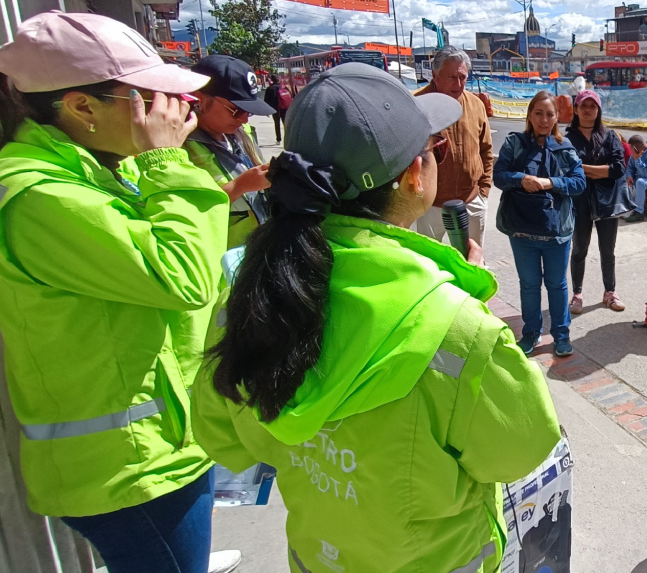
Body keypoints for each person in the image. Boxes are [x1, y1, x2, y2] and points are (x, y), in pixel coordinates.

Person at [192, 63, 560, 573]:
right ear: (414, 174)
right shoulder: (458, 329)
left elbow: (225, 436)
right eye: (435, 148)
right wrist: (467, 309)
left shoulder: (255, 289)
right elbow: (521, 449)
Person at [0, 11, 240, 573]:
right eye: (147, 95)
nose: (170, 109)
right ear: (82, 107)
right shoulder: (41, 196)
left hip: (158, 447)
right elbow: (183, 275)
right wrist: (167, 161)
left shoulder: (94, 173)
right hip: (130, 469)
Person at [494, 90, 587, 357]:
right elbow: (498, 175)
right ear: (530, 115)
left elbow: (579, 183)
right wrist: (519, 178)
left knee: (557, 285)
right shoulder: (515, 143)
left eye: (549, 114)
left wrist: (551, 183)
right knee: (529, 285)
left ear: (557, 117)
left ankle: (561, 335)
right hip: (521, 229)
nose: (544, 120)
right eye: (538, 113)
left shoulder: (564, 148)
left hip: (556, 232)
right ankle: (531, 333)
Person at [186, 55, 275, 249]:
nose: (244, 120)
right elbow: (185, 212)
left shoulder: (240, 133)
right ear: (199, 99)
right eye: (236, 110)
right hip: (220, 265)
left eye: (249, 111)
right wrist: (238, 187)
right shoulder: (178, 147)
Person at [413, 46, 493, 247]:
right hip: (430, 205)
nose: (458, 84)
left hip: (472, 200)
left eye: (463, 77)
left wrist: (484, 189)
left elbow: (486, 149)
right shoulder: (417, 105)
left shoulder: (476, 104)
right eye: (451, 77)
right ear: (435, 75)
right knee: (431, 263)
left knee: (472, 262)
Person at [566, 90, 631, 314]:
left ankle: (610, 292)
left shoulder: (610, 136)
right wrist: (599, 171)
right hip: (579, 201)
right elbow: (565, 169)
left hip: (607, 202)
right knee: (579, 249)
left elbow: (618, 169)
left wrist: (582, 169)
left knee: (607, 250)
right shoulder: (566, 138)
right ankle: (577, 294)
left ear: (598, 110)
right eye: (584, 106)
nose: (588, 110)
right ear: (575, 109)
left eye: (593, 106)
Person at [262, 73, 288, 143]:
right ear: (279, 79)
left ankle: (278, 139)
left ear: (271, 80)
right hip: (284, 109)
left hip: (275, 109)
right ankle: (288, 138)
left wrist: (266, 111)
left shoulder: (270, 89)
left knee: (277, 124)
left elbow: (266, 100)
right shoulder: (284, 87)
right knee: (285, 124)